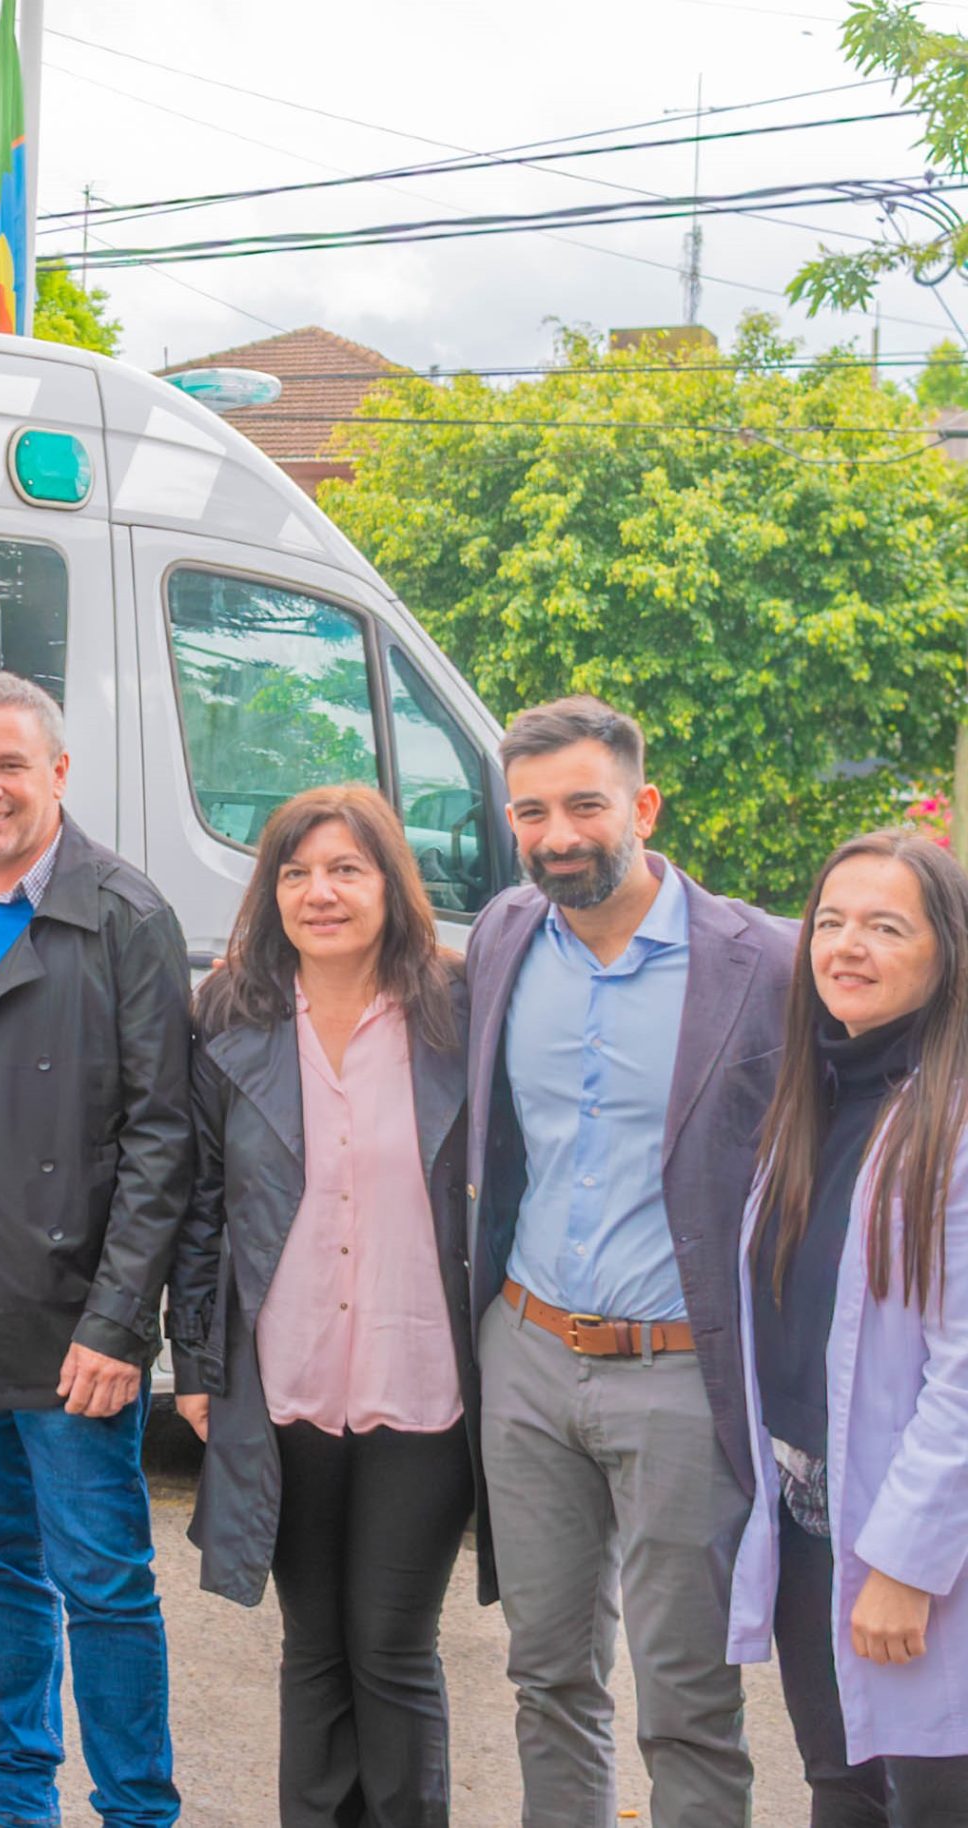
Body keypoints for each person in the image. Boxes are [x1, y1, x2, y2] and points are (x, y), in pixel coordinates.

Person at [465, 694, 795, 1828]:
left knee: (688, 1700)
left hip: (681, 1375)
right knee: (546, 1676)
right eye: (531, 812)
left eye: (585, 806)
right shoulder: (504, 935)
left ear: (643, 806)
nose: (557, 834)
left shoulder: (761, 962)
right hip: (525, 1355)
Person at [0, 671, 196, 1828]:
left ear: (57, 771)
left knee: (102, 1579)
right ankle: (13, 1805)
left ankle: (135, 1813)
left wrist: (119, 1323)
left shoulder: (125, 914)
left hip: (65, 1305)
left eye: (9, 764)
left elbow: (164, 1137)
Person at [168, 786, 478, 1828]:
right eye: (296, 873)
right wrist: (196, 1364)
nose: (320, 893)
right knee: (310, 1647)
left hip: (422, 1379)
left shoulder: (456, 1012)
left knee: (390, 1642)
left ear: (392, 883)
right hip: (284, 1379)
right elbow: (201, 1205)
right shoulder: (230, 1015)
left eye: (347, 869)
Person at [728, 829, 968, 1825]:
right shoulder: (817, 1096)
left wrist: (905, 1566)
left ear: (947, 952)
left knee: (933, 1799)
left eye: (885, 927)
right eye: (829, 922)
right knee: (839, 1788)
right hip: (809, 1514)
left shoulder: (953, 1120)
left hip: (918, 1543)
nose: (846, 946)